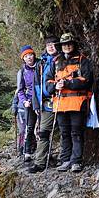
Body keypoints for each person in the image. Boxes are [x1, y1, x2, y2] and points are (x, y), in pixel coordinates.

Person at [44, 33, 93, 173]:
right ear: (61, 46)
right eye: (64, 44)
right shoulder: (55, 62)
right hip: (60, 104)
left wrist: (67, 83)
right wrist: (55, 86)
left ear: (74, 45)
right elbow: (47, 84)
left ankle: (76, 161)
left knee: (76, 133)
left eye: (69, 43)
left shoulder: (83, 60)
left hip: (77, 103)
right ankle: (65, 160)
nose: (67, 46)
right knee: (65, 133)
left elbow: (87, 80)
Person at [27, 35, 60, 173]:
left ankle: (65, 160)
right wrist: (36, 105)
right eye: (48, 45)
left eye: (53, 44)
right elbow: (35, 86)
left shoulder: (62, 60)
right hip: (46, 103)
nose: (51, 47)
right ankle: (40, 162)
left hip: (62, 100)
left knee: (66, 130)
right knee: (43, 132)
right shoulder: (41, 63)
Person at [16, 45, 39, 161]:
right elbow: (20, 90)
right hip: (29, 102)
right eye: (26, 56)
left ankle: (42, 153)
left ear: (34, 55)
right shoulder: (23, 71)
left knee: (43, 128)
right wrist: (24, 101)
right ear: (23, 58)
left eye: (30, 54)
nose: (29, 57)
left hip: (43, 100)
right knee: (29, 127)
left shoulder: (41, 65)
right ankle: (27, 152)